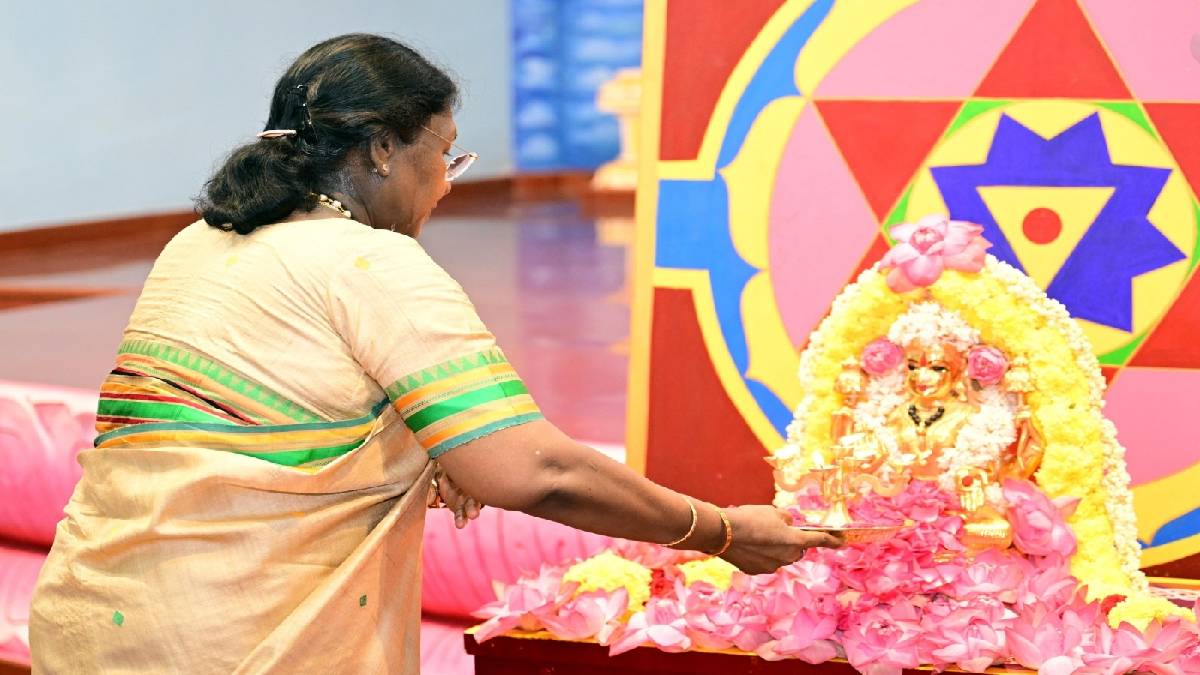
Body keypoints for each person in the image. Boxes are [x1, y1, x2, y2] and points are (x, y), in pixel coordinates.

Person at [29, 33, 840, 673]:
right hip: (235, 644)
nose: (447, 183)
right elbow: (537, 474)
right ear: (382, 149)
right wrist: (724, 531)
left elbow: (292, 408)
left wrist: (423, 443)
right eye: (443, 154)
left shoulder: (197, 243)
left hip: (92, 625)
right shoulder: (369, 263)